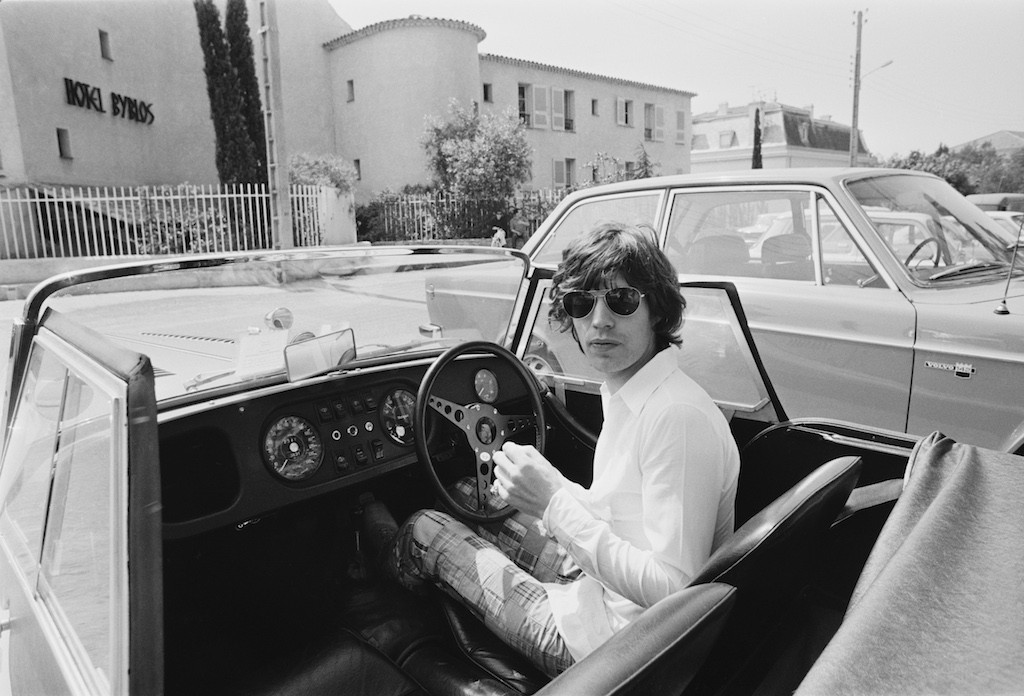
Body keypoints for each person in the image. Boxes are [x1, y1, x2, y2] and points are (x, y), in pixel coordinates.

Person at [384, 222, 740, 676]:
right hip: (608, 594)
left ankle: (377, 584)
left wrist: (552, 503)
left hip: (617, 648)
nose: (599, 321)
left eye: (622, 300)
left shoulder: (676, 417)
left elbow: (675, 592)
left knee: (423, 530)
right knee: (471, 495)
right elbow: (621, 517)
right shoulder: (636, 393)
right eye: (581, 303)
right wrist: (555, 487)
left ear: (657, 310)